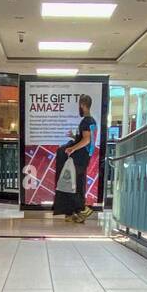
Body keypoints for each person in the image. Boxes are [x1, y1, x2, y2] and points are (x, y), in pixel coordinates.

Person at [53, 94, 98, 224]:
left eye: (79, 104)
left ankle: (82, 209)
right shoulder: (92, 121)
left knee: (71, 184)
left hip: (79, 159)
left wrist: (73, 148)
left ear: (83, 105)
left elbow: (87, 139)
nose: (79, 107)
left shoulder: (86, 121)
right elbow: (87, 140)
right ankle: (76, 212)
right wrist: (74, 137)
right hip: (84, 158)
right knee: (76, 184)